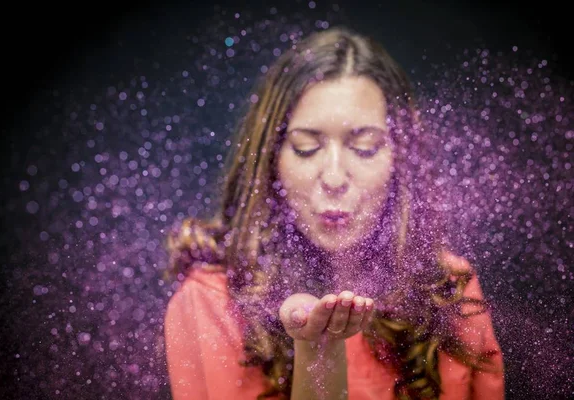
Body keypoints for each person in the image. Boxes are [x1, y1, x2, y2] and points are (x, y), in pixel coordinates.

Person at [163, 26, 505, 399]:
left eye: (366, 147)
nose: (335, 177)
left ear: (400, 160)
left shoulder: (448, 289)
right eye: (307, 147)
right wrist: (318, 351)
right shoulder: (214, 300)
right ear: (270, 159)